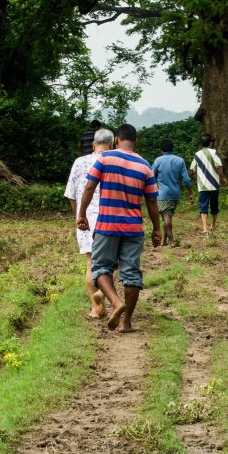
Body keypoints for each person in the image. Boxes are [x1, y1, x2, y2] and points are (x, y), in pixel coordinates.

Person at [77, 123, 162, 332]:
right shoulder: (145, 166)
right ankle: (127, 322)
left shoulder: (105, 158)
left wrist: (81, 214)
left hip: (107, 224)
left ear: (116, 140)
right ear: (136, 141)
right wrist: (157, 229)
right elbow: (151, 201)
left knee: (100, 268)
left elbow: (89, 186)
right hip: (133, 228)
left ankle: (116, 302)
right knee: (132, 274)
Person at [64, 127, 115, 318]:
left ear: (93, 144)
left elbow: (71, 194)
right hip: (109, 217)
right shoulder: (113, 161)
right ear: (111, 144)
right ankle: (103, 294)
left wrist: (79, 215)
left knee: (90, 263)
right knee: (114, 263)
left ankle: (95, 308)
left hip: (85, 218)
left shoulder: (80, 162)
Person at [152, 138, 194, 246]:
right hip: (175, 194)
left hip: (162, 194)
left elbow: (151, 176)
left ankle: (171, 241)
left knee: (166, 217)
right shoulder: (180, 160)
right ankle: (164, 241)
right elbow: (186, 179)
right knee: (168, 216)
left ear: (161, 149)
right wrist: (190, 193)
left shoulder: (158, 161)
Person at [189, 133, 228, 235]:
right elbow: (219, 166)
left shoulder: (197, 154)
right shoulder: (213, 153)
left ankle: (205, 228)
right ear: (211, 143)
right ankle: (213, 225)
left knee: (203, 207)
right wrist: (222, 177)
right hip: (214, 185)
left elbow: (192, 169)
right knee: (214, 206)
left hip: (202, 186)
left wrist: (197, 177)